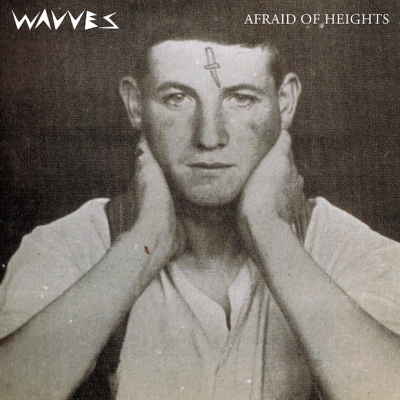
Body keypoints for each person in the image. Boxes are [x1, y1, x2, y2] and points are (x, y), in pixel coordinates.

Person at [1, 4, 399, 400]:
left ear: (285, 102)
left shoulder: (346, 246)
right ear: (135, 104)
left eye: (241, 99)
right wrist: (143, 243)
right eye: (177, 98)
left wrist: (270, 232)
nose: (209, 137)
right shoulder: (67, 245)